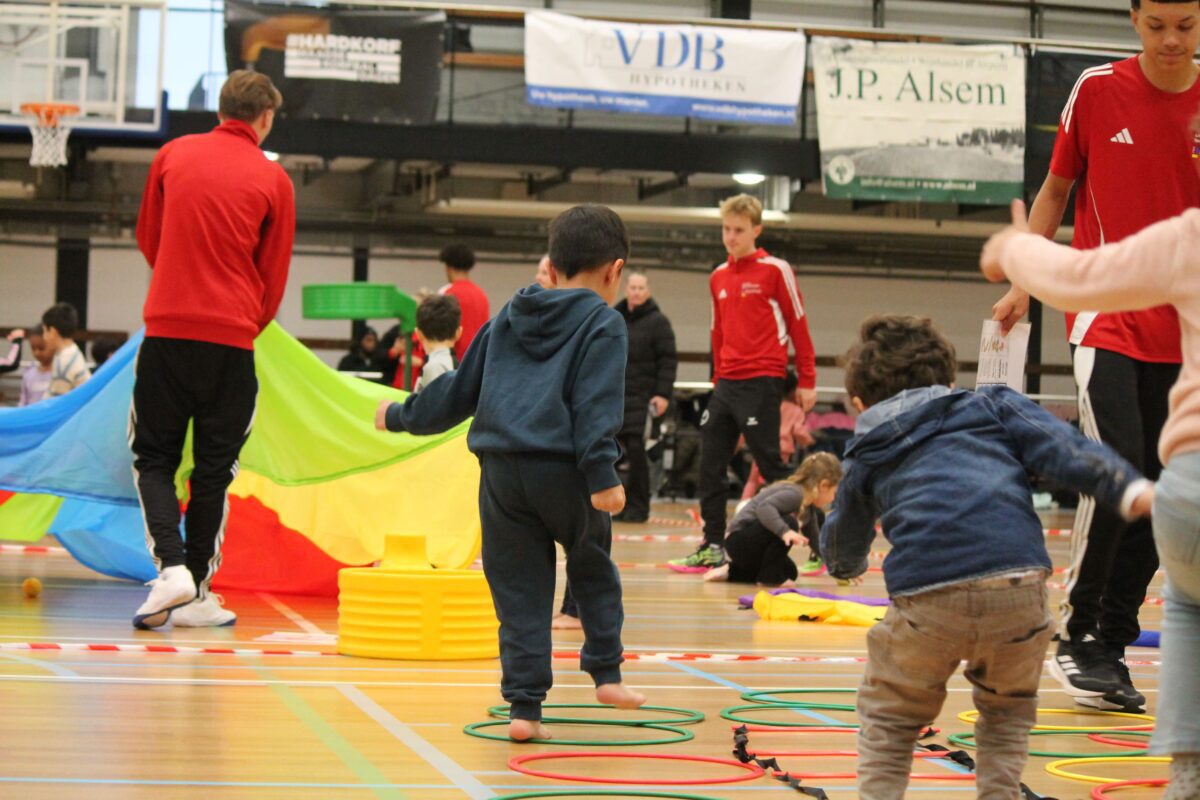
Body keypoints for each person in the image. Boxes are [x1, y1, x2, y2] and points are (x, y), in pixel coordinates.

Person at [820, 315, 1153, 800]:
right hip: (1019, 587)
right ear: (948, 378)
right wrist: (1128, 489)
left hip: (928, 598)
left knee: (890, 717)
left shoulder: (868, 448)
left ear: (858, 404)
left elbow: (841, 540)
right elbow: (1067, 449)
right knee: (1006, 714)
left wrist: (845, 567)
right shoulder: (992, 405)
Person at [990, 0, 1200, 712]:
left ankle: (1111, 642)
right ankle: (1077, 635)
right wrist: (1024, 282)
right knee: (1119, 466)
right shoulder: (1097, 90)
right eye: (1157, 24)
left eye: (1187, 26)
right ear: (1134, 18)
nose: (1171, 40)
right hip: (1105, 316)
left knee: (1170, 492)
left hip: (1184, 331)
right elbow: (1056, 189)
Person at [375, 204, 644, 741]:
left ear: (553, 265)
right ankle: (606, 672)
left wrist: (402, 415)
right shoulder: (604, 323)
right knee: (590, 562)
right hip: (565, 471)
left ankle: (525, 709)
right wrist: (603, 476)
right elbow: (596, 405)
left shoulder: (505, 318)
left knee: (519, 590)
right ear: (614, 271)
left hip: (501, 472)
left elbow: (457, 393)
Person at [982, 195, 1200, 800]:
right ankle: (1087, 636)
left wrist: (1016, 251)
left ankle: (1187, 774)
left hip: (1188, 491)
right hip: (1182, 484)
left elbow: (1077, 275)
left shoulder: (1189, 236)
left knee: (1188, 607)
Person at [130, 69, 294, 630]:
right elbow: (273, 273)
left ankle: (172, 568)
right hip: (232, 343)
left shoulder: (172, 155)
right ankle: (198, 593)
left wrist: (180, 283)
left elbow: (150, 237)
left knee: (154, 459)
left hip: (168, 333)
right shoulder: (275, 180)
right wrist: (244, 321)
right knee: (214, 471)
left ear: (220, 109)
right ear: (265, 118)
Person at [670, 193, 818, 570]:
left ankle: (820, 543)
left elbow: (798, 325)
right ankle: (712, 544)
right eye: (726, 229)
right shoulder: (718, 276)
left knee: (772, 466)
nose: (731, 237)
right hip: (726, 385)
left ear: (756, 230)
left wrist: (807, 379)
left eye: (738, 230)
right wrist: (716, 379)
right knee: (710, 464)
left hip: (762, 380)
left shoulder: (776, 270)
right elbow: (717, 332)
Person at [703, 452, 840, 586]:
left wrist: (838, 567)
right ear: (824, 485)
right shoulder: (795, 494)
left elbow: (816, 542)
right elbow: (764, 508)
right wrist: (784, 531)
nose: (834, 497)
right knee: (789, 523)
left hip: (750, 547)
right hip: (738, 542)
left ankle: (733, 571)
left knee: (790, 572)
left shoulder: (808, 508)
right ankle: (769, 579)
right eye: (834, 492)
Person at [614, 269, 677, 522]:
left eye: (641, 288)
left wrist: (662, 394)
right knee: (614, 454)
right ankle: (619, 505)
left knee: (637, 453)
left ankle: (639, 507)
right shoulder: (615, 318)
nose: (637, 292)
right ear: (626, 289)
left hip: (644, 399)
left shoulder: (659, 322)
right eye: (633, 287)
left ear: (648, 291)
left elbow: (668, 361)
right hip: (617, 397)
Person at [399, 243, 490, 389]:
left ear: (448, 267)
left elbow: (437, 327)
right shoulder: (482, 296)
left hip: (451, 366)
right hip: (476, 367)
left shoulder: (447, 293)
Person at [740, 370, 815, 500]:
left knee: (752, 480)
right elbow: (798, 431)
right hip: (782, 449)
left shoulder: (766, 406)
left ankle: (743, 504)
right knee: (777, 480)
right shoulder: (795, 410)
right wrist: (809, 441)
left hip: (761, 446)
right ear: (793, 391)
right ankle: (772, 503)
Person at [413, 294, 461, 392]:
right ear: (458, 333)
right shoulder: (457, 365)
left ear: (418, 334)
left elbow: (431, 401)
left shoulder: (434, 367)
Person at [41, 303, 90, 397]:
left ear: (52, 332)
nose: (43, 337)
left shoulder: (64, 361)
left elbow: (55, 400)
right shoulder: (71, 351)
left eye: (44, 331)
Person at [18, 326, 52, 406]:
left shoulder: (59, 372)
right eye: (33, 348)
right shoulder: (28, 374)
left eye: (41, 348)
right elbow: (23, 402)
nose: (37, 353)